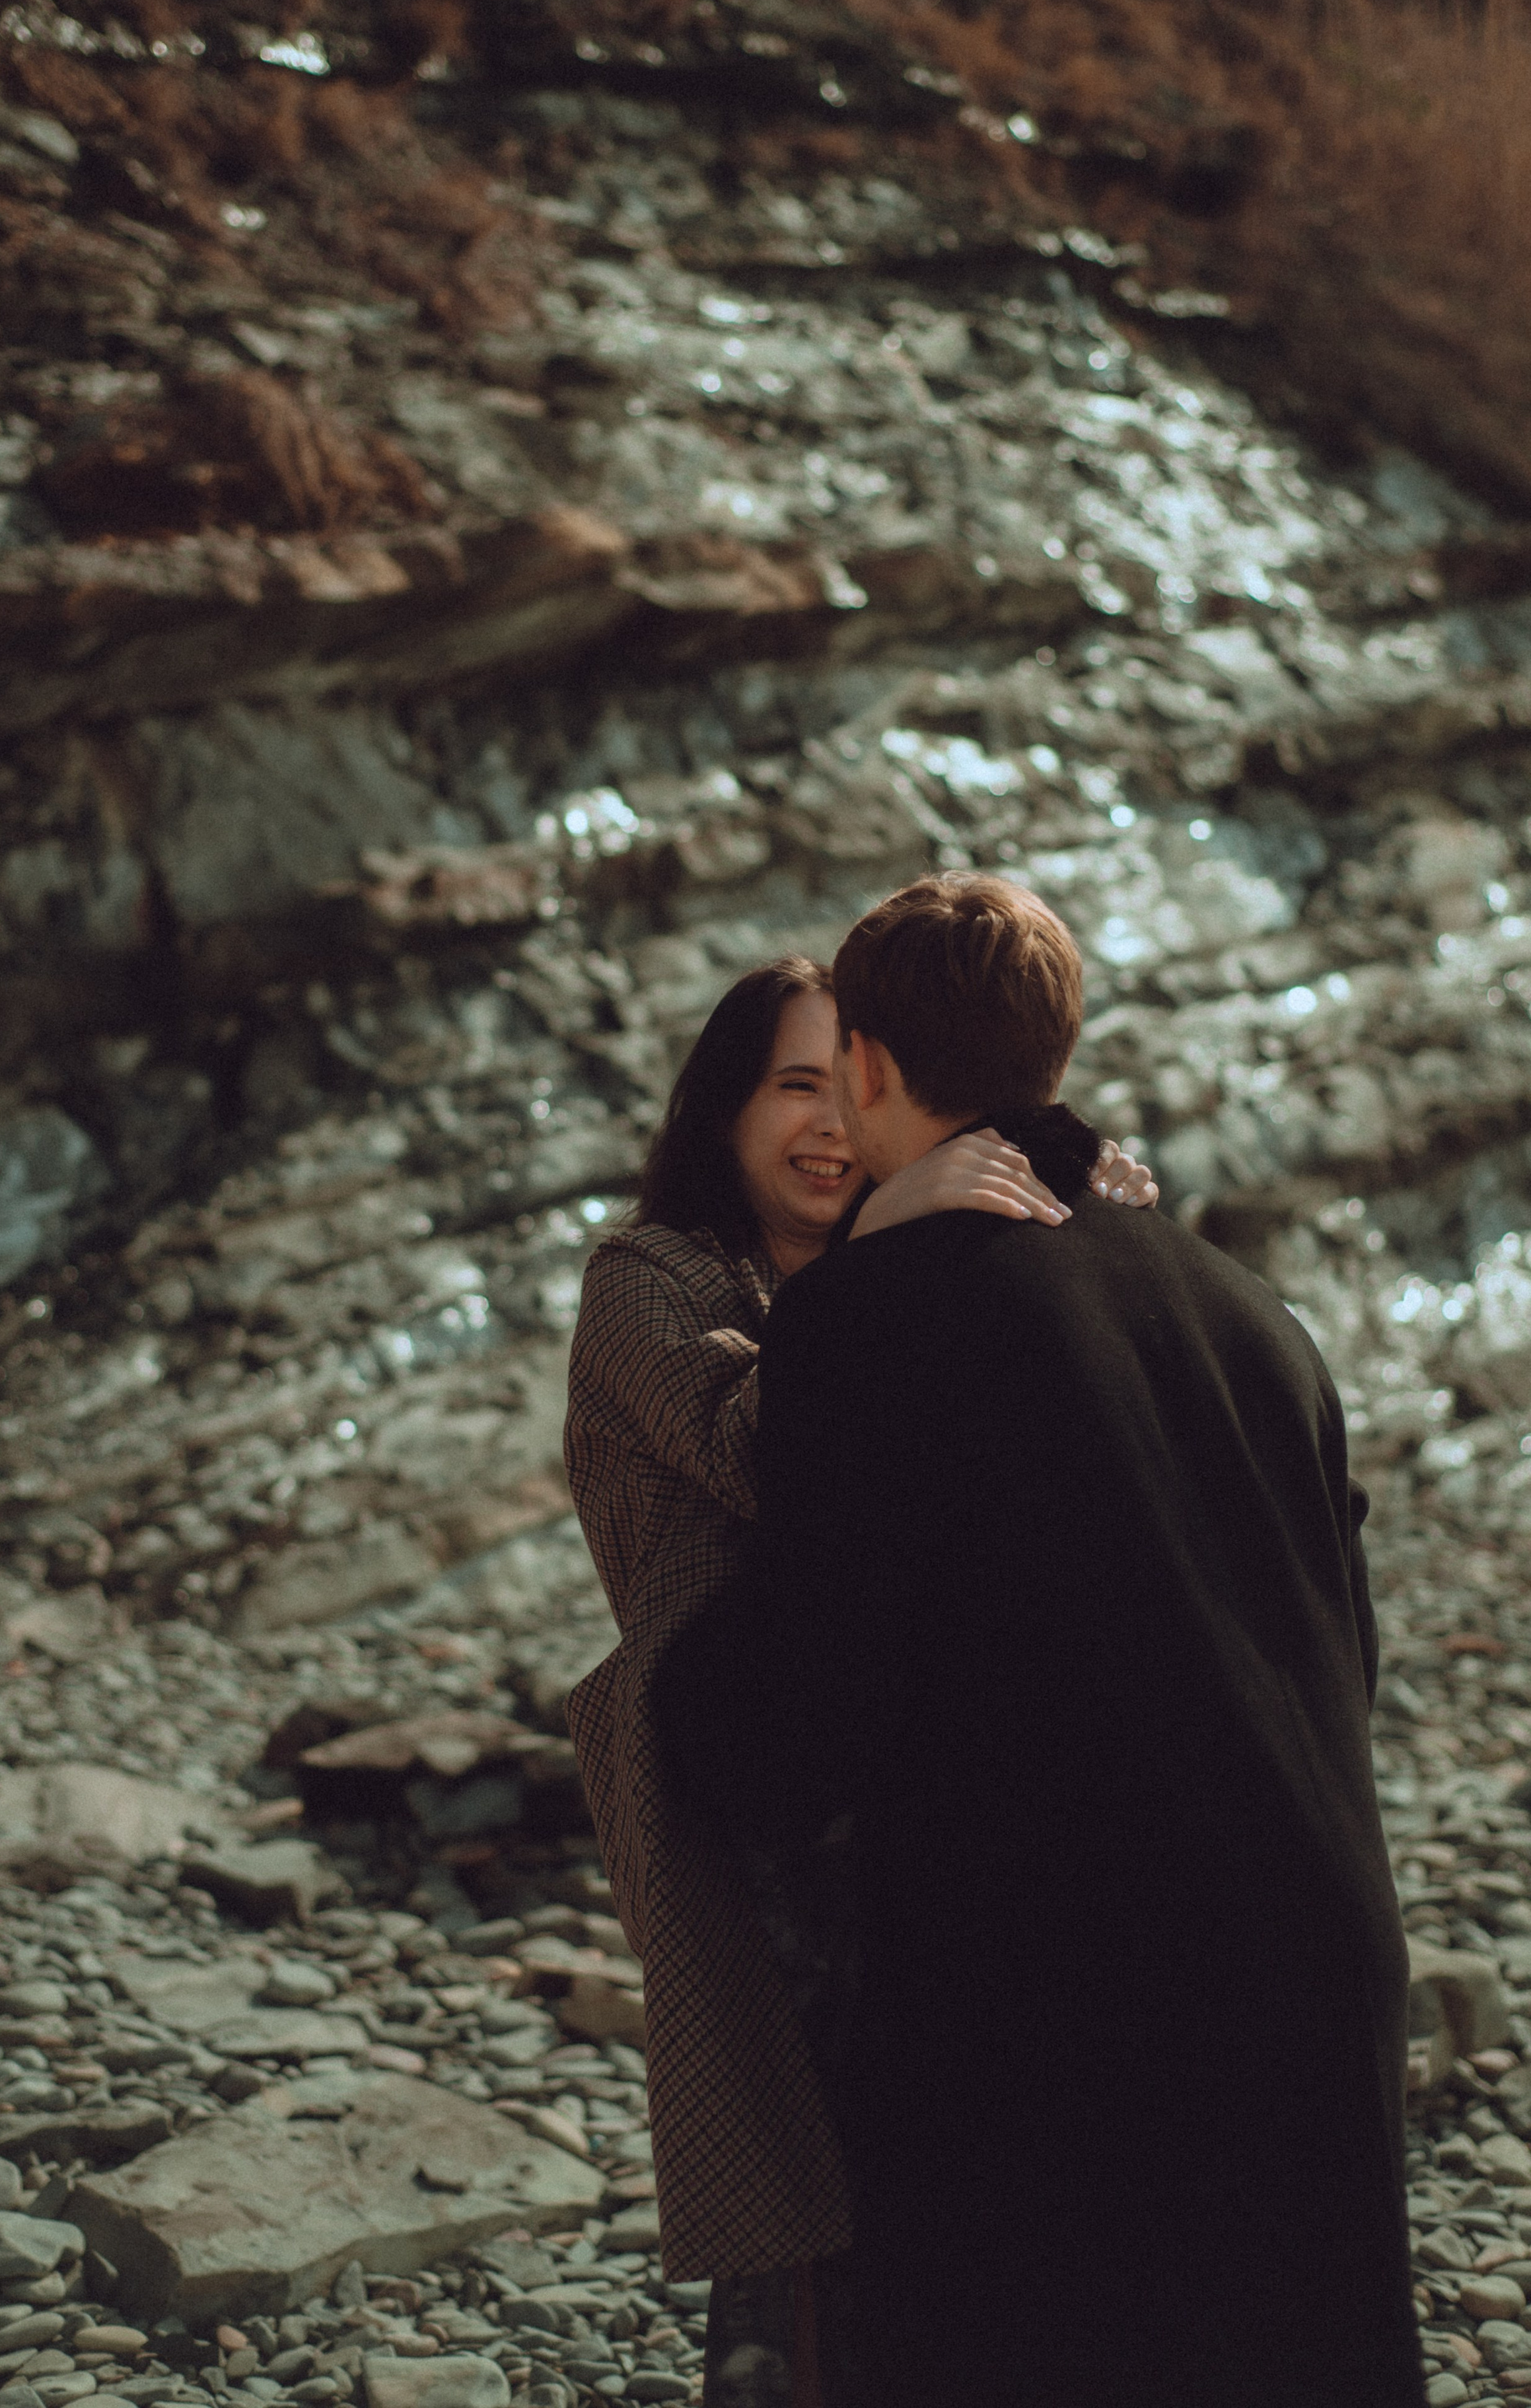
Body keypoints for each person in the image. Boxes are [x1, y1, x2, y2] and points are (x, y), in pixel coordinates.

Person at [654, 877, 1420, 2408]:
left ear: (869, 1064)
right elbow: (1349, 1657)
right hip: (1321, 1974)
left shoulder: (870, 1314)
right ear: (1054, 1051)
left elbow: (799, 1731)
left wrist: (670, 1685)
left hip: (1069, 2021)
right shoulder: (1250, 1312)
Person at [563, 952, 1157, 2407]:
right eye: (791, 1087)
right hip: (735, 1780)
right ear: (721, 1110)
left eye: (848, 1088)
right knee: (788, 2170)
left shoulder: (913, 1263)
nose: (829, 1125)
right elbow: (759, 1448)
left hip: (900, 1773)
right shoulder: (647, 1280)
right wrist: (891, 1237)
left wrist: (1084, 1219)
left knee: (939, 2169)